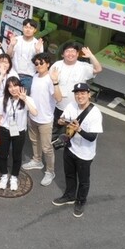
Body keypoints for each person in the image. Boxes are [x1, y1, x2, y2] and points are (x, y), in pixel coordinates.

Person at [52, 83, 103, 218]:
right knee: (69, 174)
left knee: (83, 180)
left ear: (88, 94)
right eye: (77, 93)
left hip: (85, 154)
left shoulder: (95, 113)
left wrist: (79, 129)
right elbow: (60, 121)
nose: (79, 96)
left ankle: (80, 201)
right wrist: (62, 121)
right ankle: (69, 195)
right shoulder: (71, 106)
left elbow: (92, 137)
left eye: (82, 93)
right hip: (70, 147)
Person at [0, 77, 38, 190]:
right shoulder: (2, 99)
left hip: (19, 132)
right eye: (9, 86)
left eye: (15, 85)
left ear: (20, 86)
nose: (13, 89)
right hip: (4, 130)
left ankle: (14, 176)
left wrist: (25, 100)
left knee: (17, 155)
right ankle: (4, 175)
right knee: (3, 154)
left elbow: (35, 113)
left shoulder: (26, 99)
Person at [25, 52, 59, 186]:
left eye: (41, 63)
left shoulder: (50, 79)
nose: (38, 65)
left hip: (45, 119)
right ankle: (37, 160)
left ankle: (50, 171)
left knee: (47, 147)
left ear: (48, 64)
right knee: (34, 141)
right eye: (36, 63)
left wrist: (56, 82)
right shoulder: (34, 76)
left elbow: (58, 98)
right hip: (33, 116)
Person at [50, 42, 102, 124]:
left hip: (76, 108)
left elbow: (98, 69)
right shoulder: (57, 65)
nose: (70, 54)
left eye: (73, 51)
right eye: (67, 51)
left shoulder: (83, 66)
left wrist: (91, 56)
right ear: (62, 54)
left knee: (73, 133)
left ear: (77, 54)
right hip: (59, 106)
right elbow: (49, 84)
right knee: (56, 131)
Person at [9, 18, 44, 92]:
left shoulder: (37, 43)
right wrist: (11, 45)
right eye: (26, 27)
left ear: (35, 30)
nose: (28, 30)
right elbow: (8, 56)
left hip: (29, 77)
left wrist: (38, 50)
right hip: (14, 74)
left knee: (23, 100)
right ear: (22, 28)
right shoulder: (16, 40)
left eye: (31, 28)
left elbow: (40, 63)